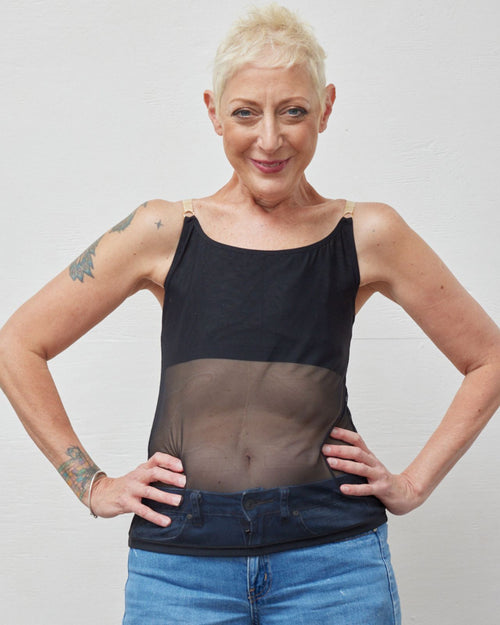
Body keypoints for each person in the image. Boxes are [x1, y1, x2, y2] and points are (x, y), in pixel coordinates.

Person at [0, 4, 499, 624]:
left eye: (293, 111)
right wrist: (92, 484)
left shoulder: (368, 233)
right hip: (180, 569)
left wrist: (414, 484)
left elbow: (488, 358)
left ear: (326, 108)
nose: (269, 139)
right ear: (213, 111)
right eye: (245, 113)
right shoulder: (162, 229)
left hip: (333, 564)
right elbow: (18, 344)